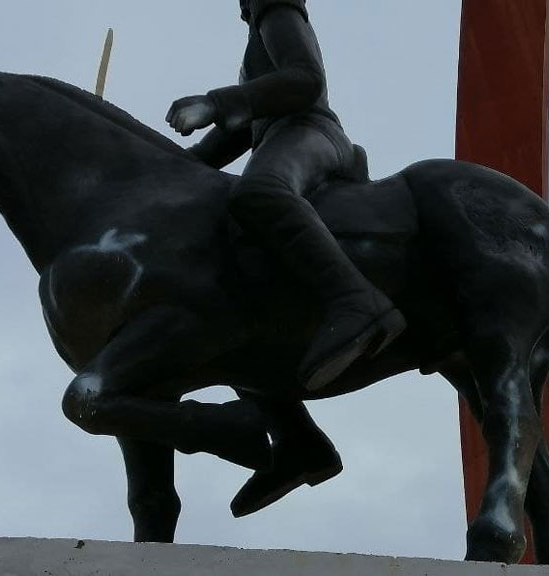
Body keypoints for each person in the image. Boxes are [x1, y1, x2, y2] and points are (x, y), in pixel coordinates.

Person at [166, 0, 407, 517]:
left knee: (258, 195)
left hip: (313, 135)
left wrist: (215, 100)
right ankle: (298, 443)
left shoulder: (280, 15)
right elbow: (236, 134)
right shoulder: (258, 34)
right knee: (230, 275)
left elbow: (302, 81)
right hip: (281, 136)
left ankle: (358, 302)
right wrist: (164, 167)